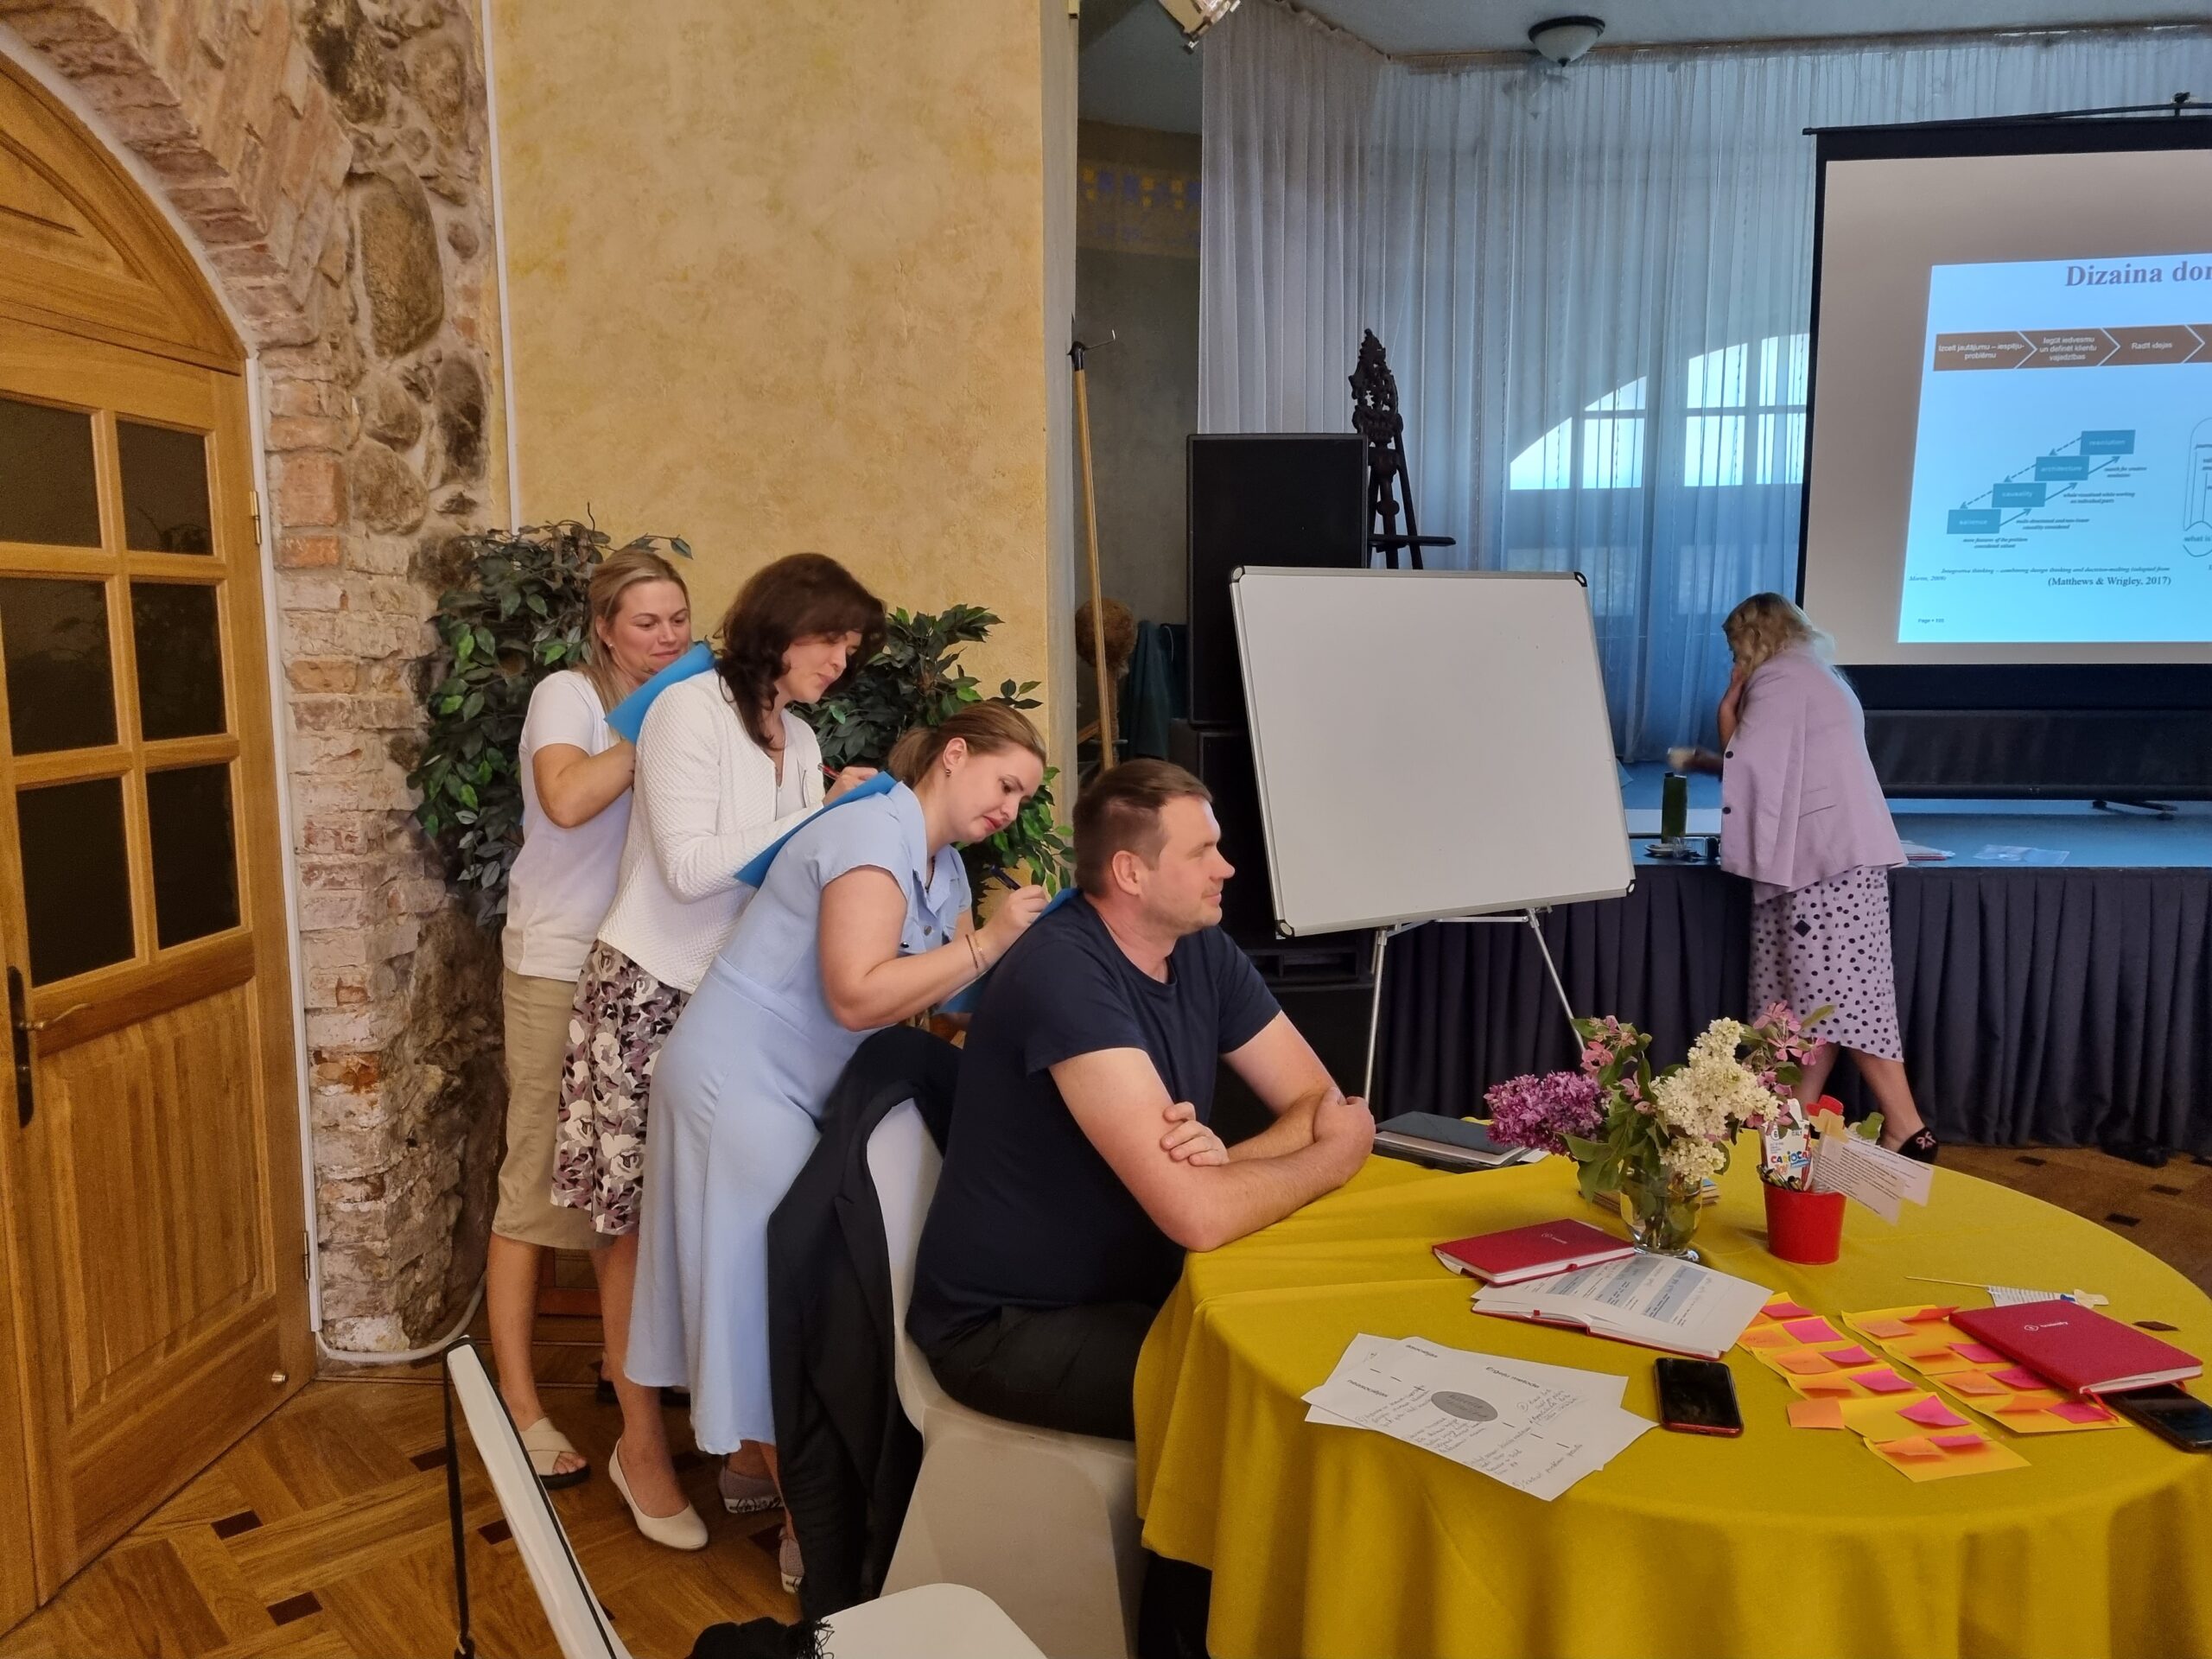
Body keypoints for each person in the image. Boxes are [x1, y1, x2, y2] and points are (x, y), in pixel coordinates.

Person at [628, 702, 1053, 1585]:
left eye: (1024, 797)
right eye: (1006, 784)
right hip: (741, 1080)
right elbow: (859, 995)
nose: (1011, 808)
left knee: (776, 1289)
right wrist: (988, 945)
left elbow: (927, 996)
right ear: (954, 754)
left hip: (801, 1081)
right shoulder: (869, 834)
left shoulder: (940, 861)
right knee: (777, 1298)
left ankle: (756, 1469)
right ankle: (810, 1520)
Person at [556, 552, 885, 1548]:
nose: (841, 661)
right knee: (636, 1229)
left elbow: (793, 876)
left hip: (737, 1005)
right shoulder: (686, 710)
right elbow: (693, 870)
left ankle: (744, 1443)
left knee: (734, 1226)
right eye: (831, 640)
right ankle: (642, 1446)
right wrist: (824, 813)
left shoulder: (803, 735)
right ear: (782, 628)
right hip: (647, 990)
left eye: (851, 648)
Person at [907, 759, 1377, 1443]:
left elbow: (1316, 1100)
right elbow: (1201, 1216)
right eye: (1202, 852)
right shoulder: (1063, 974)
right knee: (1282, 1399)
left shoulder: (1201, 948)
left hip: (1141, 1282)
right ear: (1131, 872)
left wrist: (1226, 1165)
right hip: (1012, 1326)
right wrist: (1336, 1157)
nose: (1226, 868)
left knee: (1334, 1330)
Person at [487, 548, 692, 1491]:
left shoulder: (687, 709)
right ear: (605, 629)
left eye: (679, 620)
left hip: (640, 971)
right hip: (557, 961)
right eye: (646, 623)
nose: (667, 638)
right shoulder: (568, 695)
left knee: (628, 1186)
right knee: (535, 1183)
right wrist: (653, 723)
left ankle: (624, 1366)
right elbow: (567, 800)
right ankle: (519, 1402)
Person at [1685, 592, 1936, 1161]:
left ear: (1752, 639)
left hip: (1819, 867)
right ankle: (1790, 1131)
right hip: (1844, 863)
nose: (1735, 659)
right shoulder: (1821, 676)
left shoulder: (1777, 679)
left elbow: (1751, 764)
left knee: (1830, 1000)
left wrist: (1728, 711)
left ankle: (1904, 1125)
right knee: (1812, 1004)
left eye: (1735, 647)